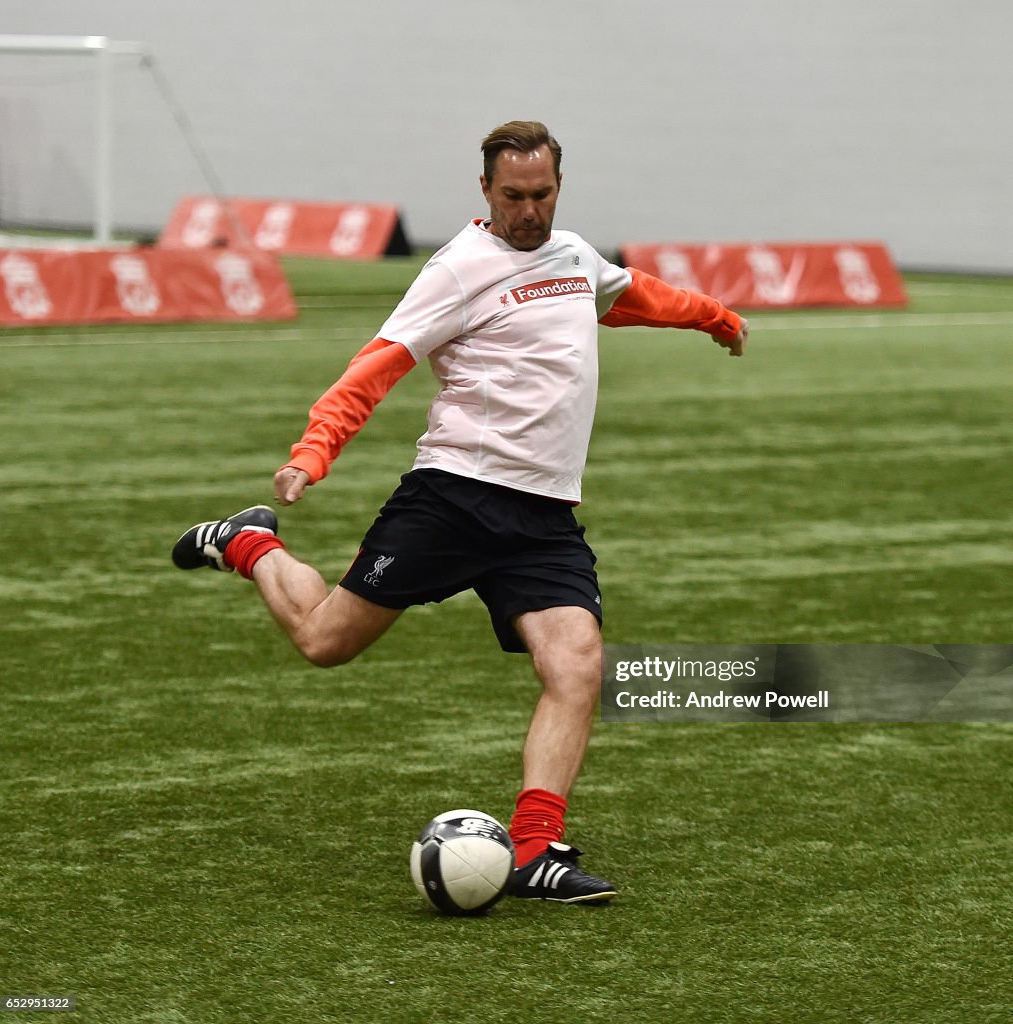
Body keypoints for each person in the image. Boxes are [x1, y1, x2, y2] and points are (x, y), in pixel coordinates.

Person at [172, 120, 748, 904]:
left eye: (542, 194)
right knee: (324, 642)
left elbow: (627, 293)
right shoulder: (457, 270)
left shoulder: (572, 255)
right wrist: (313, 452)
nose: (529, 211)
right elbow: (376, 367)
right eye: (513, 196)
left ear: (558, 187)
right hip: (453, 499)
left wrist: (713, 317)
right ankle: (248, 543)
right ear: (485, 192)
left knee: (576, 664)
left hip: (543, 517)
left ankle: (537, 850)